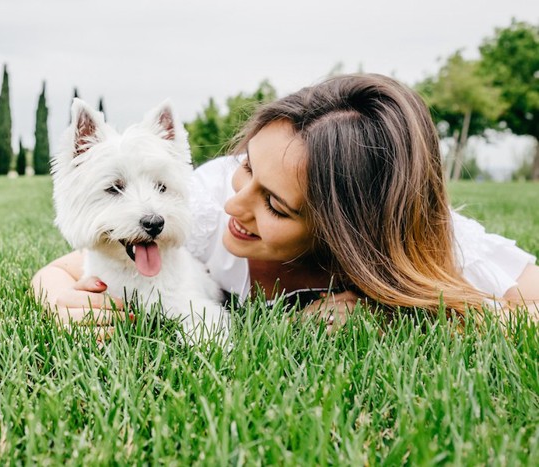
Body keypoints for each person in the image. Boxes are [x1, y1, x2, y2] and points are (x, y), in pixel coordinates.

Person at [31, 73, 539, 332]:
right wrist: (55, 295)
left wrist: (399, 313)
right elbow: (62, 269)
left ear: (349, 232)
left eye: (274, 204)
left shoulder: (434, 241)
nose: (236, 205)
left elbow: (527, 305)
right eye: (247, 166)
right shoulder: (205, 204)